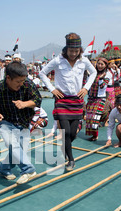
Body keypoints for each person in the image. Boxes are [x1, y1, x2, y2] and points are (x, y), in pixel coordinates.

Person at [39, 32, 97, 171]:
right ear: (66, 49)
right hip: (62, 100)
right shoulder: (58, 60)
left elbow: (93, 72)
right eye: (71, 51)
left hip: (77, 101)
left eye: (76, 51)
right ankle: (71, 160)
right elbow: (42, 73)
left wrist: (86, 88)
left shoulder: (83, 61)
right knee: (65, 132)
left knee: (72, 133)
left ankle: (64, 148)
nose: (73, 53)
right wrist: (52, 89)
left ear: (80, 50)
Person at [0, 61, 42, 184]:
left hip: (24, 121)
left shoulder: (27, 84)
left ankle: (4, 169)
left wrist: (25, 103)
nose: (21, 84)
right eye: (18, 82)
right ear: (8, 78)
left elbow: (37, 100)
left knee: (19, 151)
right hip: (6, 121)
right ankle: (28, 170)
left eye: (22, 81)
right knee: (12, 145)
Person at [85, 57, 110, 141]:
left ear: (105, 65)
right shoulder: (93, 73)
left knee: (94, 117)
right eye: (98, 63)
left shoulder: (108, 74)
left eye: (102, 64)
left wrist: (101, 78)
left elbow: (102, 86)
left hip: (100, 98)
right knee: (88, 117)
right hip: (91, 98)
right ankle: (93, 135)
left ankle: (96, 135)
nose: (99, 66)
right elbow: (88, 83)